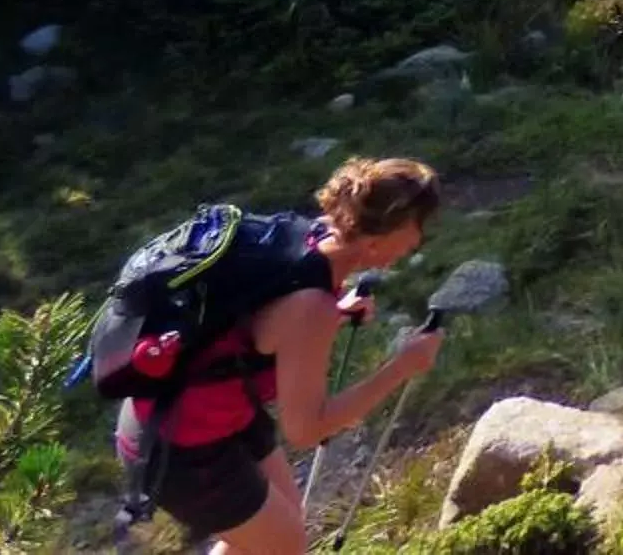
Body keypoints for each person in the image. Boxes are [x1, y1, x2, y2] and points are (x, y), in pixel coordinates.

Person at [114, 159, 443, 555]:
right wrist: (402, 367)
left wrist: (336, 311)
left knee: (276, 534)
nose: (417, 242)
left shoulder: (312, 235)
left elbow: (265, 322)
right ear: (380, 235)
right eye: (415, 229)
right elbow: (306, 430)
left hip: (196, 413)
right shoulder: (312, 306)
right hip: (177, 447)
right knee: (285, 547)